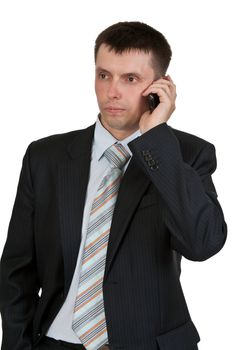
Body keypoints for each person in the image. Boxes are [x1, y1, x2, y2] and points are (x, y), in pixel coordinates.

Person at [0, 21, 227, 350]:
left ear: (160, 87)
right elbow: (16, 272)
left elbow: (203, 243)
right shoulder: (45, 157)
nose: (112, 92)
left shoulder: (187, 155)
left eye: (130, 79)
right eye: (103, 75)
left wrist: (157, 139)